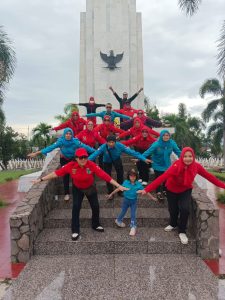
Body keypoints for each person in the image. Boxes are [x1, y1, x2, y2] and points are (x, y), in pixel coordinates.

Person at [33, 148, 128, 241]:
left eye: (85, 157)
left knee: (95, 206)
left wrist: (118, 185)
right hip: (77, 188)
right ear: (76, 158)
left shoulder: (91, 165)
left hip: (90, 187)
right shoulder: (71, 165)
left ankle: (96, 224)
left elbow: (104, 175)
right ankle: (75, 230)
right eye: (81, 157)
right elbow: (56, 173)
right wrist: (41, 179)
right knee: (76, 207)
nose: (83, 159)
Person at [138, 147, 225, 244]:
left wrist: (223, 186)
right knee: (173, 209)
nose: (188, 158)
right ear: (182, 157)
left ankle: (182, 231)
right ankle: (173, 223)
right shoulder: (176, 165)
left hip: (185, 189)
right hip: (171, 189)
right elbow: (162, 177)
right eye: (185, 156)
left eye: (190, 156)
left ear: (193, 156)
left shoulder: (197, 166)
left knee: (185, 209)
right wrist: (147, 189)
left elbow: (210, 177)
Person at [28, 128, 95, 201]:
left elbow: (85, 147)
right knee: (65, 176)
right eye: (67, 134)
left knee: (75, 176)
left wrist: (96, 152)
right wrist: (36, 153)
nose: (68, 135)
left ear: (72, 135)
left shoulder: (75, 141)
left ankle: (76, 193)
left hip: (73, 160)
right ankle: (66, 194)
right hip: (64, 159)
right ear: (64, 134)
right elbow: (50, 147)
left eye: (70, 134)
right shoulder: (60, 141)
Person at [106, 169, 151, 236]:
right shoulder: (125, 182)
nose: (132, 177)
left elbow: (146, 191)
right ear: (128, 176)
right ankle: (118, 220)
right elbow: (118, 188)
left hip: (133, 202)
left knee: (133, 214)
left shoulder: (138, 184)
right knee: (123, 211)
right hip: (126, 201)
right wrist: (111, 194)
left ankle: (133, 227)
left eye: (134, 176)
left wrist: (152, 197)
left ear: (136, 176)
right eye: (131, 176)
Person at [142, 129, 181, 200]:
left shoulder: (172, 143)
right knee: (158, 177)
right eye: (164, 135)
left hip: (167, 164)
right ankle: (158, 192)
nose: (166, 137)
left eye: (167, 135)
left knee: (166, 178)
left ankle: (164, 190)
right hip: (157, 163)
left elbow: (178, 152)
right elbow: (148, 152)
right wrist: (140, 158)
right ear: (161, 136)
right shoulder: (156, 144)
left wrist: (183, 158)